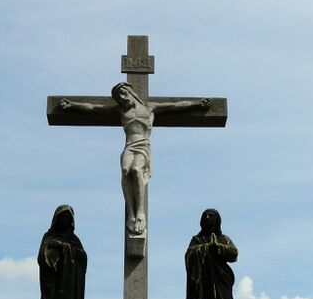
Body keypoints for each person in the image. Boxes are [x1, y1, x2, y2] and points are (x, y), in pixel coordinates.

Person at [59, 83, 211, 236]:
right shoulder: (120, 111)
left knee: (136, 170)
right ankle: (131, 214)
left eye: (124, 93)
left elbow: (175, 105)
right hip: (129, 146)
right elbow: (93, 108)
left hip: (143, 146)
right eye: (119, 97)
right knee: (126, 171)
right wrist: (72, 105)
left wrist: (197, 103)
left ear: (131, 92)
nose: (123, 98)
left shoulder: (150, 107)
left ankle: (140, 213)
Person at [33, 205, 87, 299]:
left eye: (67, 218)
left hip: (69, 291)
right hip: (53, 288)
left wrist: (65, 248)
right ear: (56, 219)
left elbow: (82, 259)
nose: (64, 220)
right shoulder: (49, 236)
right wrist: (57, 249)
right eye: (61, 217)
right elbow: (42, 258)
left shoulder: (74, 240)